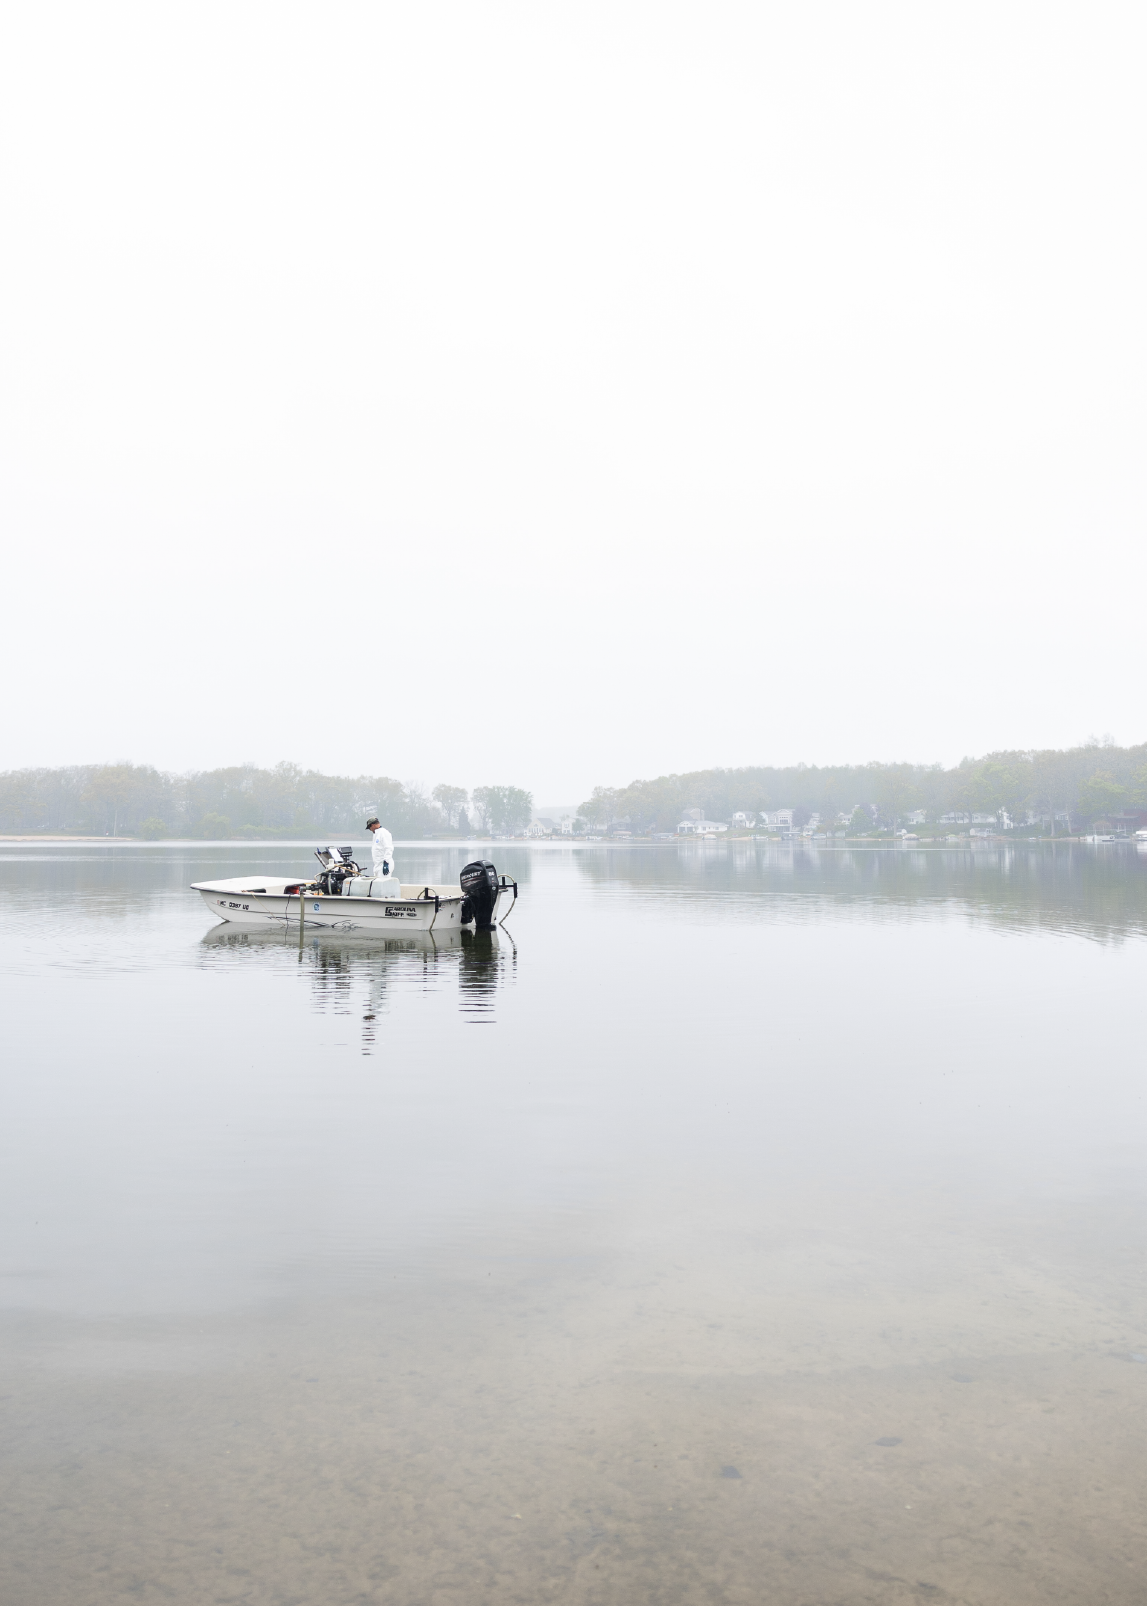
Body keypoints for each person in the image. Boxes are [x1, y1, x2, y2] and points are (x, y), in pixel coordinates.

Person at [365, 816, 400, 891]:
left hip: (384, 864)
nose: (370, 830)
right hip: (377, 865)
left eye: (369, 828)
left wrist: (386, 863)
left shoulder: (384, 833)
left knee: (383, 886)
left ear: (372, 825)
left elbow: (389, 848)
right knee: (377, 886)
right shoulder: (376, 834)